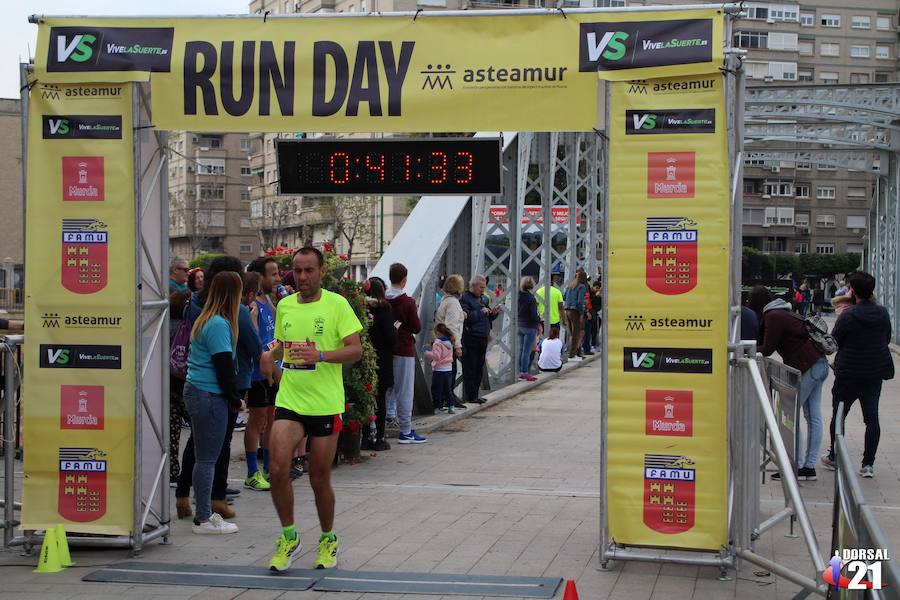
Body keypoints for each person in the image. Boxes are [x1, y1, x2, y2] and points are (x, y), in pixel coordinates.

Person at [265, 247, 363, 572]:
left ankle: (327, 538)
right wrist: (271, 357)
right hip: (290, 401)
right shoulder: (284, 305)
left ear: (321, 271)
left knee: (318, 478)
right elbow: (281, 347)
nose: (303, 277)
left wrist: (320, 356)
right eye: (297, 271)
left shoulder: (337, 304)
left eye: (309, 271)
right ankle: (289, 536)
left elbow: (355, 350)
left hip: (324, 404)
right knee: (278, 469)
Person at [176, 256, 266, 521]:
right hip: (217, 389)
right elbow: (233, 358)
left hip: (199, 386)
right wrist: (235, 397)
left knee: (198, 444)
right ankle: (210, 506)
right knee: (214, 451)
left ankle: (185, 496)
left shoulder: (197, 307)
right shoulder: (226, 317)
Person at [182, 271, 243, 535]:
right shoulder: (219, 324)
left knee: (202, 457)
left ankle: (202, 512)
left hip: (197, 390)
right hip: (209, 394)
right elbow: (223, 367)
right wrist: (235, 399)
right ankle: (204, 518)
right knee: (207, 459)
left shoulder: (204, 319)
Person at [822, 271, 894, 478]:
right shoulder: (882, 313)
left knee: (839, 415)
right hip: (873, 373)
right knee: (872, 418)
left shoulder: (849, 315)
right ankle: (868, 464)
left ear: (852, 291)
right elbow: (886, 338)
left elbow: (834, 342)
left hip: (848, 374)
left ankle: (835, 457)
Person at [758, 287, 828, 481]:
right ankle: (809, 467)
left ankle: (793, 466)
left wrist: (743, 347)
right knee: (813, 416)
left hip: (807, 367)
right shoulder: (787, 312)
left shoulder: (773, 316)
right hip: (819, 363)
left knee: (790, 414)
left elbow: (767, 348)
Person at [243, 257, 283, 491]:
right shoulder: (252, 306)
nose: (278, 278)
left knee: (271, 420)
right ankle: (251, 472)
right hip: (258, 373)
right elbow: (254, 341)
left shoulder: (267, 299)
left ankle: (269, 469)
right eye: (274, 274)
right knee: (257, 421)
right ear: (260, 276)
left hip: (273, 368)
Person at [385, 263, 426, 444]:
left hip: (386, 349)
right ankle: (406, 430)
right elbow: (416, 327)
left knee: (385, 389)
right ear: (404, 280)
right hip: (404, 348)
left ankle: (377, 428)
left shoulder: (382, 300)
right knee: (405, 390)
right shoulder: (408, 302)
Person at [362, 276, 396, 450]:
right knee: (380, 400)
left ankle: (366, 437)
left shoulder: (361, 308)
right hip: (382, 358)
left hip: (364, 359)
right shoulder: (384, 309)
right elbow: (390, 337)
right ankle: (380, 438)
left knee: (365, 399)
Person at [460, 275, 499, 405]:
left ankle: (475, 395)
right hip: (471, 337)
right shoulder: (465, 298)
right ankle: (470, 396)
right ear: (473, 285)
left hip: (482, 337)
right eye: (481, 287)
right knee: (470, 367)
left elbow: (486, 318)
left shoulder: (483, 299)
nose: (483, 290)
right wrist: (480, 313)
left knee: (478, 367)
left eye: (484, 287)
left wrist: (493, 314)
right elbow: (465, 317)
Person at [434, 274, 466, 409]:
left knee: (445, 372)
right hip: (449, 344)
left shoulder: (445, 300)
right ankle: (448, 398)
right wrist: (457, 346)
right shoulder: (452, 302)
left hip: (442, 342)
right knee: (449, 373)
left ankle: (445, 398)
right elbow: (452, 326)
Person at [424, 324, 455, 414]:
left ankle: (437, 407)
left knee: (437, 389)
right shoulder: (449, 342)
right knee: (448, 389)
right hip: (448, 369)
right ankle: (451, 406)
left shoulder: (437, 343)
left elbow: (436, 356)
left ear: (437, 333)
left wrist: (426, 352)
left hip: (439, 370)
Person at [517, 276, 539, 382]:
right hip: (530, 326)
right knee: (527, 351)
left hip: (520, 324)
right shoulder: (531, 298)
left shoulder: (518, 296)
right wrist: (539, 319)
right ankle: (525, 371)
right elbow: (534, 315)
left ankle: (520, 371)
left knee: (521, 349)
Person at [563, 271, 588, 359]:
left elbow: (564, 297)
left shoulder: (570, 285)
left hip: (567, 310)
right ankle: (572, 354)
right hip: (575, 311)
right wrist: (581, 313)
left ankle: (575, 352)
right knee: (576, 333)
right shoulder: (581, 286)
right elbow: (579, 301)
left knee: (571, 333)